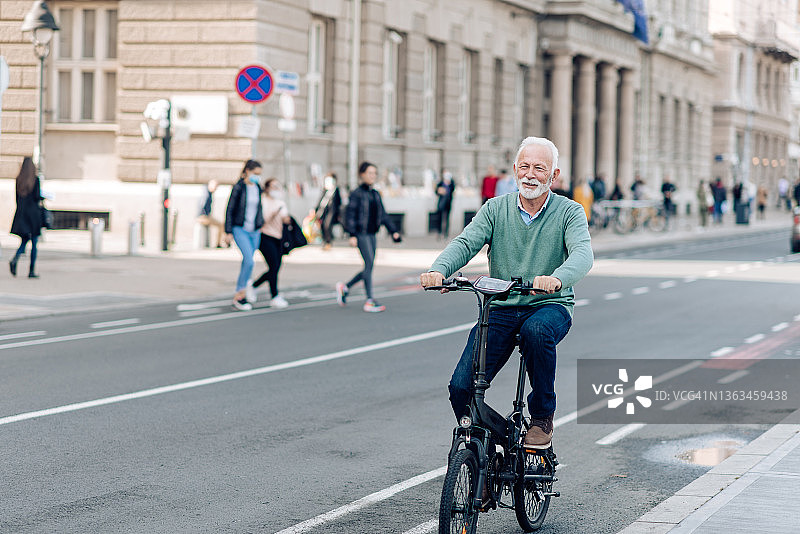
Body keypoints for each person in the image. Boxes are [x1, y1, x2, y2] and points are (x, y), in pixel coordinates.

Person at [420, 136, 593, 450]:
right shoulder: (495, 209)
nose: (530, 174)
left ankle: (542, 418)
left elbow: (583, 255)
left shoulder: (570, 212)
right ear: (514, 170)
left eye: (539, 168)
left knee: (536, 331)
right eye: (524, 166)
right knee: (461, 387)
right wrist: (439, 270)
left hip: (549, 304)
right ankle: (489, 450)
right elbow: (465, 243)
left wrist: (556, 279)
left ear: (554, 176)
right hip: (500, 307)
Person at [336, 161, 402, 313]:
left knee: (369, 265)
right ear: (362, 174)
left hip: (372, 233)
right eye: (370, 173)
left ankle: (345, 287)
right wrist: (352, 234)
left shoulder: (375, 194)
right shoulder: (356, 193)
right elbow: (350, 215)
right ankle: (369, 300)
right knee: (369, 263)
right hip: (361, 233)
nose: (373, 176)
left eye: (374, 173)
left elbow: (383, 215)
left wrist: (394, 231)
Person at [224, 159, 265, 311]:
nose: (257, 177)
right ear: (247, 171)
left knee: (248, 262)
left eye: (259, 174)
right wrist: (228, 231)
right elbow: (230, 209)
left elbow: (259, 209)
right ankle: (239, 295)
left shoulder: (258, 188)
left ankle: (244, 290)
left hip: (255, 230)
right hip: (240, 228)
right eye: (255, 173)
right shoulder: (239, 187)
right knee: (249, 261)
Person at [253, 178, 291, 308]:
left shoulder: (280, 202)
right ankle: (274, 296)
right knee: (274, 266)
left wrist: (287, 219)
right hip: (265, 237)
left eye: (278, 186)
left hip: (278, 238)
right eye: (273, 186)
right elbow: (261, 221)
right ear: (267, 188)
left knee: (275, 267)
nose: (276, 189)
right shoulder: (262, 201)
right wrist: (274, 213)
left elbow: (286, 218)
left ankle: (254, 286)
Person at [9, 157, 44, 278]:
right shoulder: (35, 180)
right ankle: (31, 270)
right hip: (33, 216)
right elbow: (37, 197)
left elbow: (16, 199)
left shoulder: (19, 180)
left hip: (22, 214)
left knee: (24, 240)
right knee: (34, 242)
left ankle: (15, 259)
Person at [315, 172, 342, 250]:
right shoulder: (325, 189)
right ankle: (325, 241)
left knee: (328, 225)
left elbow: (338, 202)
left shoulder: (336, 190)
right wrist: (316, 209)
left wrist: (338, 214)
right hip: (323, 211)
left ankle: (328, 242)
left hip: (332, 211)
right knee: (322, 225)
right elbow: (320, 200)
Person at [197, 179, 226, 248]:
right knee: (221, 225)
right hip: (203, 217)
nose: (216, 188)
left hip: (203, 216)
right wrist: (206, 215)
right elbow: (203, 206)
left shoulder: (207, 193)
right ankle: (218, 243)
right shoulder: (206, 195)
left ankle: (220, 242)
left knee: (220, 224)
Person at [435, 170, 456, 239]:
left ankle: (446, 233)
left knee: (447, 218)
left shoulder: (452, 183)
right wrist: (440, 191)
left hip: (448, 203)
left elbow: (453, 190)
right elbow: (436, 191)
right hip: (441, 203)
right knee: (439, 218)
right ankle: (439, 232)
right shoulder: (441, 183)